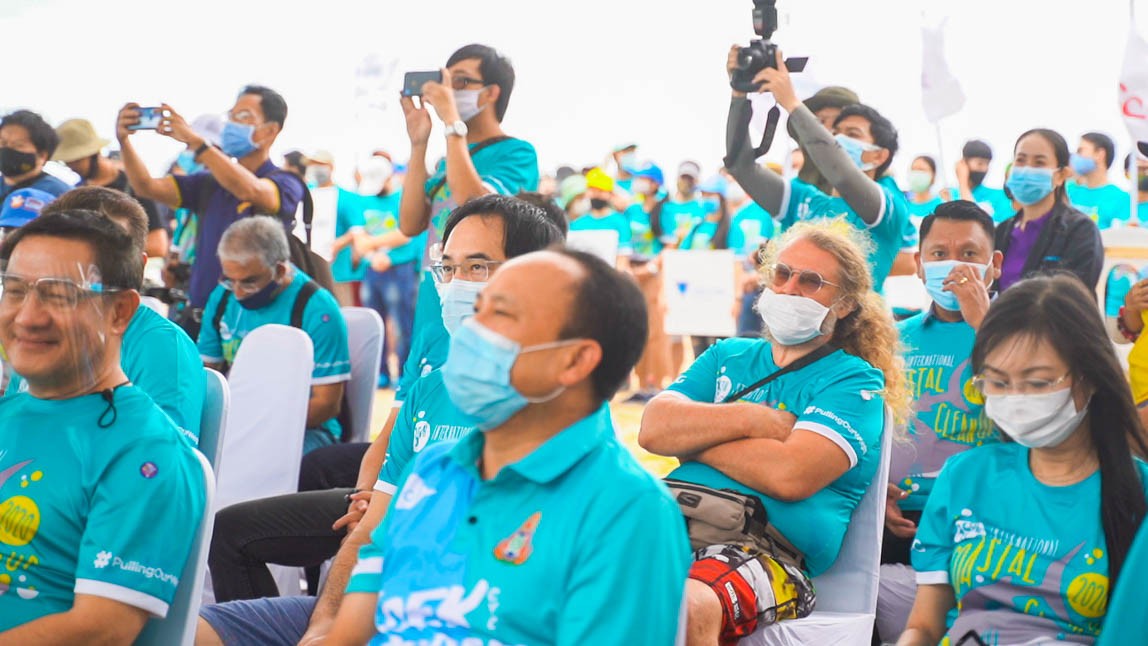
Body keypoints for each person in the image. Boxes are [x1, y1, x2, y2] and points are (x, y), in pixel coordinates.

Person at [193, 195, 566, 646]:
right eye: (448, 268)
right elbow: (371, 533)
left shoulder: (556, 412)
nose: (456, 285)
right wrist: (324, 627)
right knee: (188, 633)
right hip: (379, 597)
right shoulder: (432, 387)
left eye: (477, 267)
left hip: (451, 618)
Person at [325, 248, 690, 645]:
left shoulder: (626, 510)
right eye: (477, 310)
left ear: (575, 360)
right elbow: (350, 632)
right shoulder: (432, 467)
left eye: (499, 314)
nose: (470, 331)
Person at [640, 220, 907, 644]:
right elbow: (654, 429)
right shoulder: (728, 354)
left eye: (811, 281)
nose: (789, 289)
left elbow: (790, 474)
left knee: (687, 605)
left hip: (765, 552)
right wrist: (750, 420)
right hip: (671, 519)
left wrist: (696, 440)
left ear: (843, 305)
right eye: (782, 274)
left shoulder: (854, 381)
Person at [897, 274, 1148, 645]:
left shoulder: (1136, 493)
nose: (1015, 398)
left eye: (1038, 382)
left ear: (1091, 377)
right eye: (998, 382)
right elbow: (924, 627)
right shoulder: (966, 476)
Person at [0, 210, 205, 640]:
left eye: (59, 295)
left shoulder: (146, 454)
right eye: (15, 291)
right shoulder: (10, 412)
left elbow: (101, 631)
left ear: (120, 311)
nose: (27, 317)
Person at [396, 43, 539, 443]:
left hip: (477, 311)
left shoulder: (516, 153)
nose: (448, 90)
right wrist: (419, 143)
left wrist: (451, 124)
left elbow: (477, 205)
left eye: (460, 82)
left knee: (455, 431)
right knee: (412, 429)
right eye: (445, 81)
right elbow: (409, 223)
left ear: (491, 92)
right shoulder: (448, 160)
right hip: (433, 307)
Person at [874, 201, 1003, 641]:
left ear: (994, 264)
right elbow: (873, 427)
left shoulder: (1020, 335)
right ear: (919, 263)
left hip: (981, 518)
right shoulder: (895, 339)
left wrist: (984, 323)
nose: (954, 266)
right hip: (898, 516)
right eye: (939, 254)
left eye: (969, 254)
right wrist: (876, 496)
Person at [4, 187, 205, 440]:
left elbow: (161, 454)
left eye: (112, 254)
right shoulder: (39, 332)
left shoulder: (161, 345)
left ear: (138, 266)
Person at [116, 85, 306, 328]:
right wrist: (124, 142)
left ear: (270, 130)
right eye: (231, 116)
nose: (232, 124)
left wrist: (196, 142)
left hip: (255, 320)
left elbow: (252, 190)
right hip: (202, 317)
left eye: (244, 116)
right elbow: (146, 186)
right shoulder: (209, 183)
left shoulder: (285, 183)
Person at [724, 49, 910, 294]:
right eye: (834, 132)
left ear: (879, 155)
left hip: (853, 318)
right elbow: (740, 166)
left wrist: (791, 102)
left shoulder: (888, 206)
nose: (836, 138)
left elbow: (841, 173)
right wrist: (739, 93)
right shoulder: (802, 198)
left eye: (852, 134)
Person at [197, 216, 349, 453]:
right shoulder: (222, 297)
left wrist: (258, 430)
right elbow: (207, 377)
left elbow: (327, 404)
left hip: (305, 429)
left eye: (249, 282)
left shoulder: (318, 310)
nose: (238, 292)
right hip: (235, 422)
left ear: (279, 270)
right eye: (229, 279)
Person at [336, 153, 424, 388]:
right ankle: (381, 373)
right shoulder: (363, 200)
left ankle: (405, 372)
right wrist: (372, 255)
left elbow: (407, 233)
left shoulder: (402, 199)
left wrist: (377, 248)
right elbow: (358, 236)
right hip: (372, 270)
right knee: (375, 323)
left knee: (404, 324)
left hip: (401, 268)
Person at [996, 128, 1103, 291]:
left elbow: (1075, 294)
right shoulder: (1002, 231)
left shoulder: (1079, 230)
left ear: (1061, 175)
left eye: (1039, 163)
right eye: (1020, 160)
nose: (1027, 169)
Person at [52, 118, 169, 257]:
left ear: (94, 153)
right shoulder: (77, 193)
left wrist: (106, 251)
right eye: (67, 162)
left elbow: (158, 245)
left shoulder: (134, 186)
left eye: (77, 160)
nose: (72, 167)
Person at [785, 86, 861, 195]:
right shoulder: (792, 192)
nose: (827, 130)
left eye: (838, 121)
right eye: (820, 121)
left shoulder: (878, 187)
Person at [0, 110, 72, 199]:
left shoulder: (60, 193)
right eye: (3, 143)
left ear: (42, 156)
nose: (7, 149)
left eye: (18, 145)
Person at [1067, 132, 1132, 230]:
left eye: (1080, 151)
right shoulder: (1069, 191)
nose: (1076, 157)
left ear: (1100, 154)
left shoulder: (1121, 199)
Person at [569, 167, 633, 263]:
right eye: (593, 190)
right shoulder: (577, 224)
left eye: (601, 191)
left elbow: (622, 258)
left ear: (610, 194)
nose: (596, 195)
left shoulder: (620, 222)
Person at [949, 139, 1016, 223]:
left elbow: (976, 221)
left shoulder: (1000, 196)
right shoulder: (948, 196)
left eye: (987, 164)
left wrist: (963, 185)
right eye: (980, 164)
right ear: (964, 163)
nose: (984, 169)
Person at [906, 155, 943, 220]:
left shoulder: (941, 207)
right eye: (913, 169)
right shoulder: (903, 206)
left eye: (921, 169)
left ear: (933, 175)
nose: (916, 174)